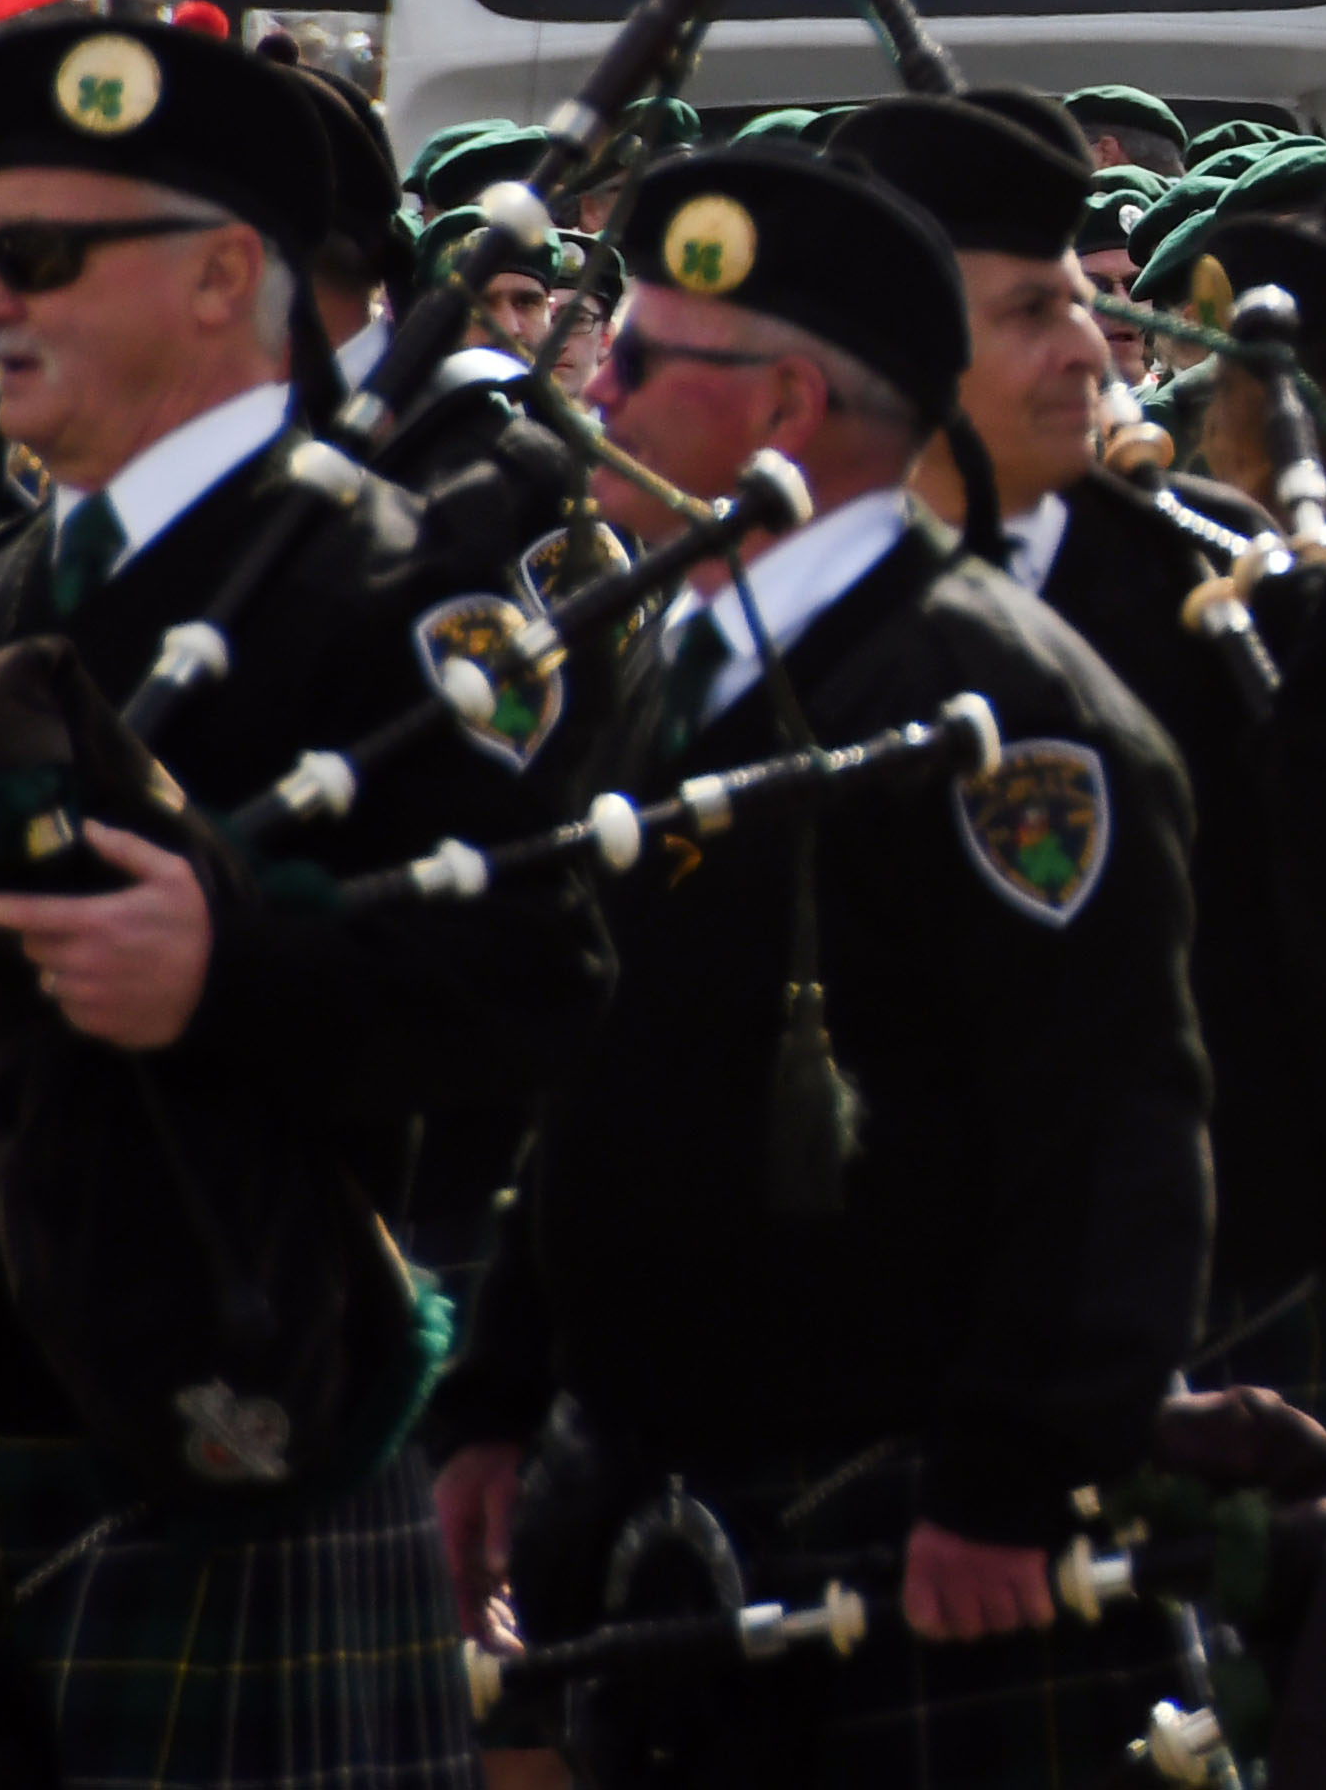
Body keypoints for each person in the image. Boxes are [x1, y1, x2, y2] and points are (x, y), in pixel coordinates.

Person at [434, 146, 1212, 1790]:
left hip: (902, 1507)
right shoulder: (661, 654)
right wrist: (498, 1393)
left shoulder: (1001, 706)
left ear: (785, 402)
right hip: (656, 1483)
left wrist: (1007, 1476)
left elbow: (1105, 1127)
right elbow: (594, 1068)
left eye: (644, 358)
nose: (602, 390)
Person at [0, 17, 612, 1790]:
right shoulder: (2, 589)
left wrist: (231, 972)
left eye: (35, 255)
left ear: (218, 274)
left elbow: (538, 980)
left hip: (241, 1434)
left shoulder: (390, 584)